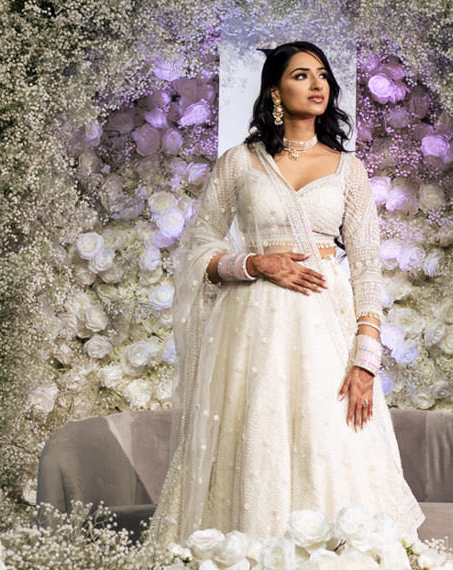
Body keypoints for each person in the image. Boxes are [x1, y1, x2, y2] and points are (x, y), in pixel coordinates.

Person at [151, 41, 424, 542]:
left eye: (322, 74)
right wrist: (253, 263)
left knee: (329, 442)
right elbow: (197, 250)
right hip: (248, 330)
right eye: (301, 75)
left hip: (325, 329)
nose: (317, 84)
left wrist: (365, 359)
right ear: (275, 91)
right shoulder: (238, 163)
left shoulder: (349, 170)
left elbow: (366, 269)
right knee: (251, 439)